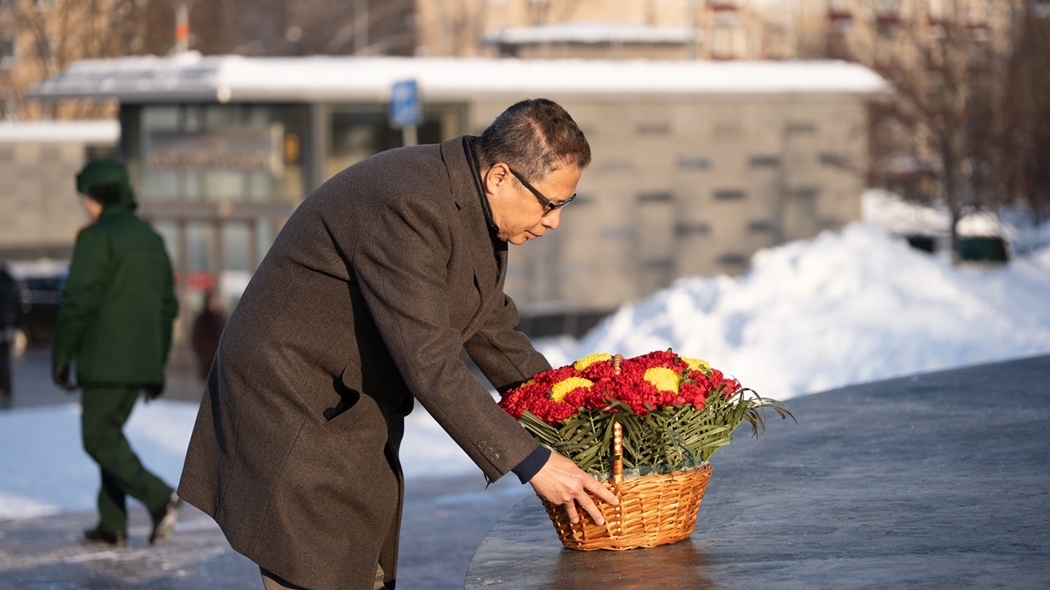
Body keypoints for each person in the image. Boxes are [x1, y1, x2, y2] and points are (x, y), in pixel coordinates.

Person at [178, 98, 619, 590]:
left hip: (346, 403)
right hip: (292, 409)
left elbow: (491, 329)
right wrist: (533, 461)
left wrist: (574, 418)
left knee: (364, 568)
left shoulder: (470, 202)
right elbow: (429, 362)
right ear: (501, 176)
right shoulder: (410, 203)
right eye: (550, 203)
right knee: (324, 572)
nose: (554, 221)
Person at [51, 159, 182, 548]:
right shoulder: (152, 239)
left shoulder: (95, 238)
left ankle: (160, 498)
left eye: (86, 197)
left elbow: (78, 300)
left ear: (101, 195)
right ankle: (112, 525)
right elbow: (166, 307)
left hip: (104, 361)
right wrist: (156, 364)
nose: (84, 205)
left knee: (97, 437)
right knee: (110, 434)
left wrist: (62, 355)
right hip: (140, 361)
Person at [190, 289, 227, 382]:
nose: (215, 303)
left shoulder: (220, 318)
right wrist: (205, 355)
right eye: (213, 300)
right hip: (207, 363)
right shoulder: (202, 320)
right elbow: (196, 340)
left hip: (220, 362)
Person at [0, 261, 21, 409]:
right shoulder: (9, 279)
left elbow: (12, 304)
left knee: (3, 360)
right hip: (7, 325)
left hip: (5, 325)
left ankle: (5, 390)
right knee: (4, 359)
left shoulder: (6, 280)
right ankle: (6, 390)